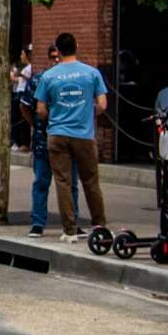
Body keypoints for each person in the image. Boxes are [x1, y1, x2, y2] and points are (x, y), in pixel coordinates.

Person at [34, 32, 108, 241]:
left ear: (57, 50)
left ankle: (69, 230)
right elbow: (102, 105)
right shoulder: (92, 73)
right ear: (76, 45)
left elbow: (40, 109)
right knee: (91, 181)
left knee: (63, 182)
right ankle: (99, 224)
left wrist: (54, 117)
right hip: (84, 134)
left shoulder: (48, 76)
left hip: (57, 134)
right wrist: (87, 113)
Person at [27, 41, 81, 239]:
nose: (56, 59)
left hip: (68, 139)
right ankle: (38, 222)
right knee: (42, 181)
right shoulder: (41, 79)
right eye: (53, 56)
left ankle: (72, 221)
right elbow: (26, 106)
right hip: (44, 141)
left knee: (70, 184)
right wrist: (36, 124)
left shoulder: (76, 78)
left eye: (59, 55)